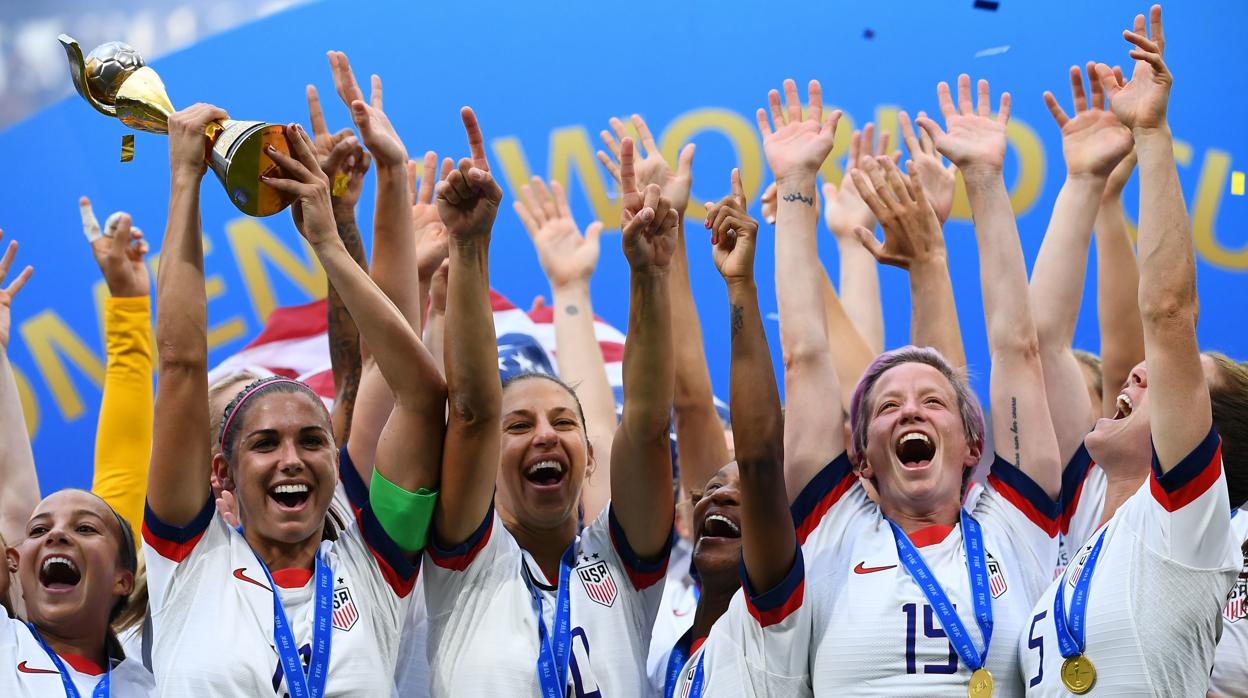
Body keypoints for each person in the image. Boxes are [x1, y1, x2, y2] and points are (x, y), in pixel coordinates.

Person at [766, 74, 1062, 695]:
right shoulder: (834, 527)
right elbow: (804, 357)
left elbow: (1019, 348)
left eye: (932, 402)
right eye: (888, 407)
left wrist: (983, 178)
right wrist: (795, 190)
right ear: (859, 455)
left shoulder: (1016, 525)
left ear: (974, 443)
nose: (908, 414)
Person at [142, 102, 443, 694]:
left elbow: (415, 392)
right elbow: (180, 366)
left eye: (312, 439)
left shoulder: (375, 563)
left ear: (337, 458)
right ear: (221, 472)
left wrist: (329, 242)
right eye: (264, 442)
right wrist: (184, 181)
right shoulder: (188, 561)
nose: (291, 458)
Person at [1017, 7, 1242, 695]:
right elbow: (1056, 346)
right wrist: (1098, 197)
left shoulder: (1183, 521)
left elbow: (1167, 312)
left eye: (1175, 383)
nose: (1140, 370)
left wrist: (1152, 135)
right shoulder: (1088, 518)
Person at [423, 112, 676, 695]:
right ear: (486, 461)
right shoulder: (461, 558)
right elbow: (470, 410)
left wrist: (649, 275)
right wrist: (468, 246)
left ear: (588, 458)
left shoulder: (622, 560)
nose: (545, 434)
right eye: (519, 425)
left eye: (564, 421)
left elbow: (643, 422)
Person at [664, 167, 811, 697]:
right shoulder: (664, 646)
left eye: (743, 489)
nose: (720, 492)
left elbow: (759, 458)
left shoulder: (775, 621)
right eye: (711, 488)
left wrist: (740, 287)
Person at [0, 236, 154, 695]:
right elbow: (11, 493)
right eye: (38, 530)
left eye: (85, 529)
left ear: (124, 579)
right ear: (13, 562)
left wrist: (130, 309)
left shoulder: (162, 677)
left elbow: (124, 468)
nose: (57, 534)